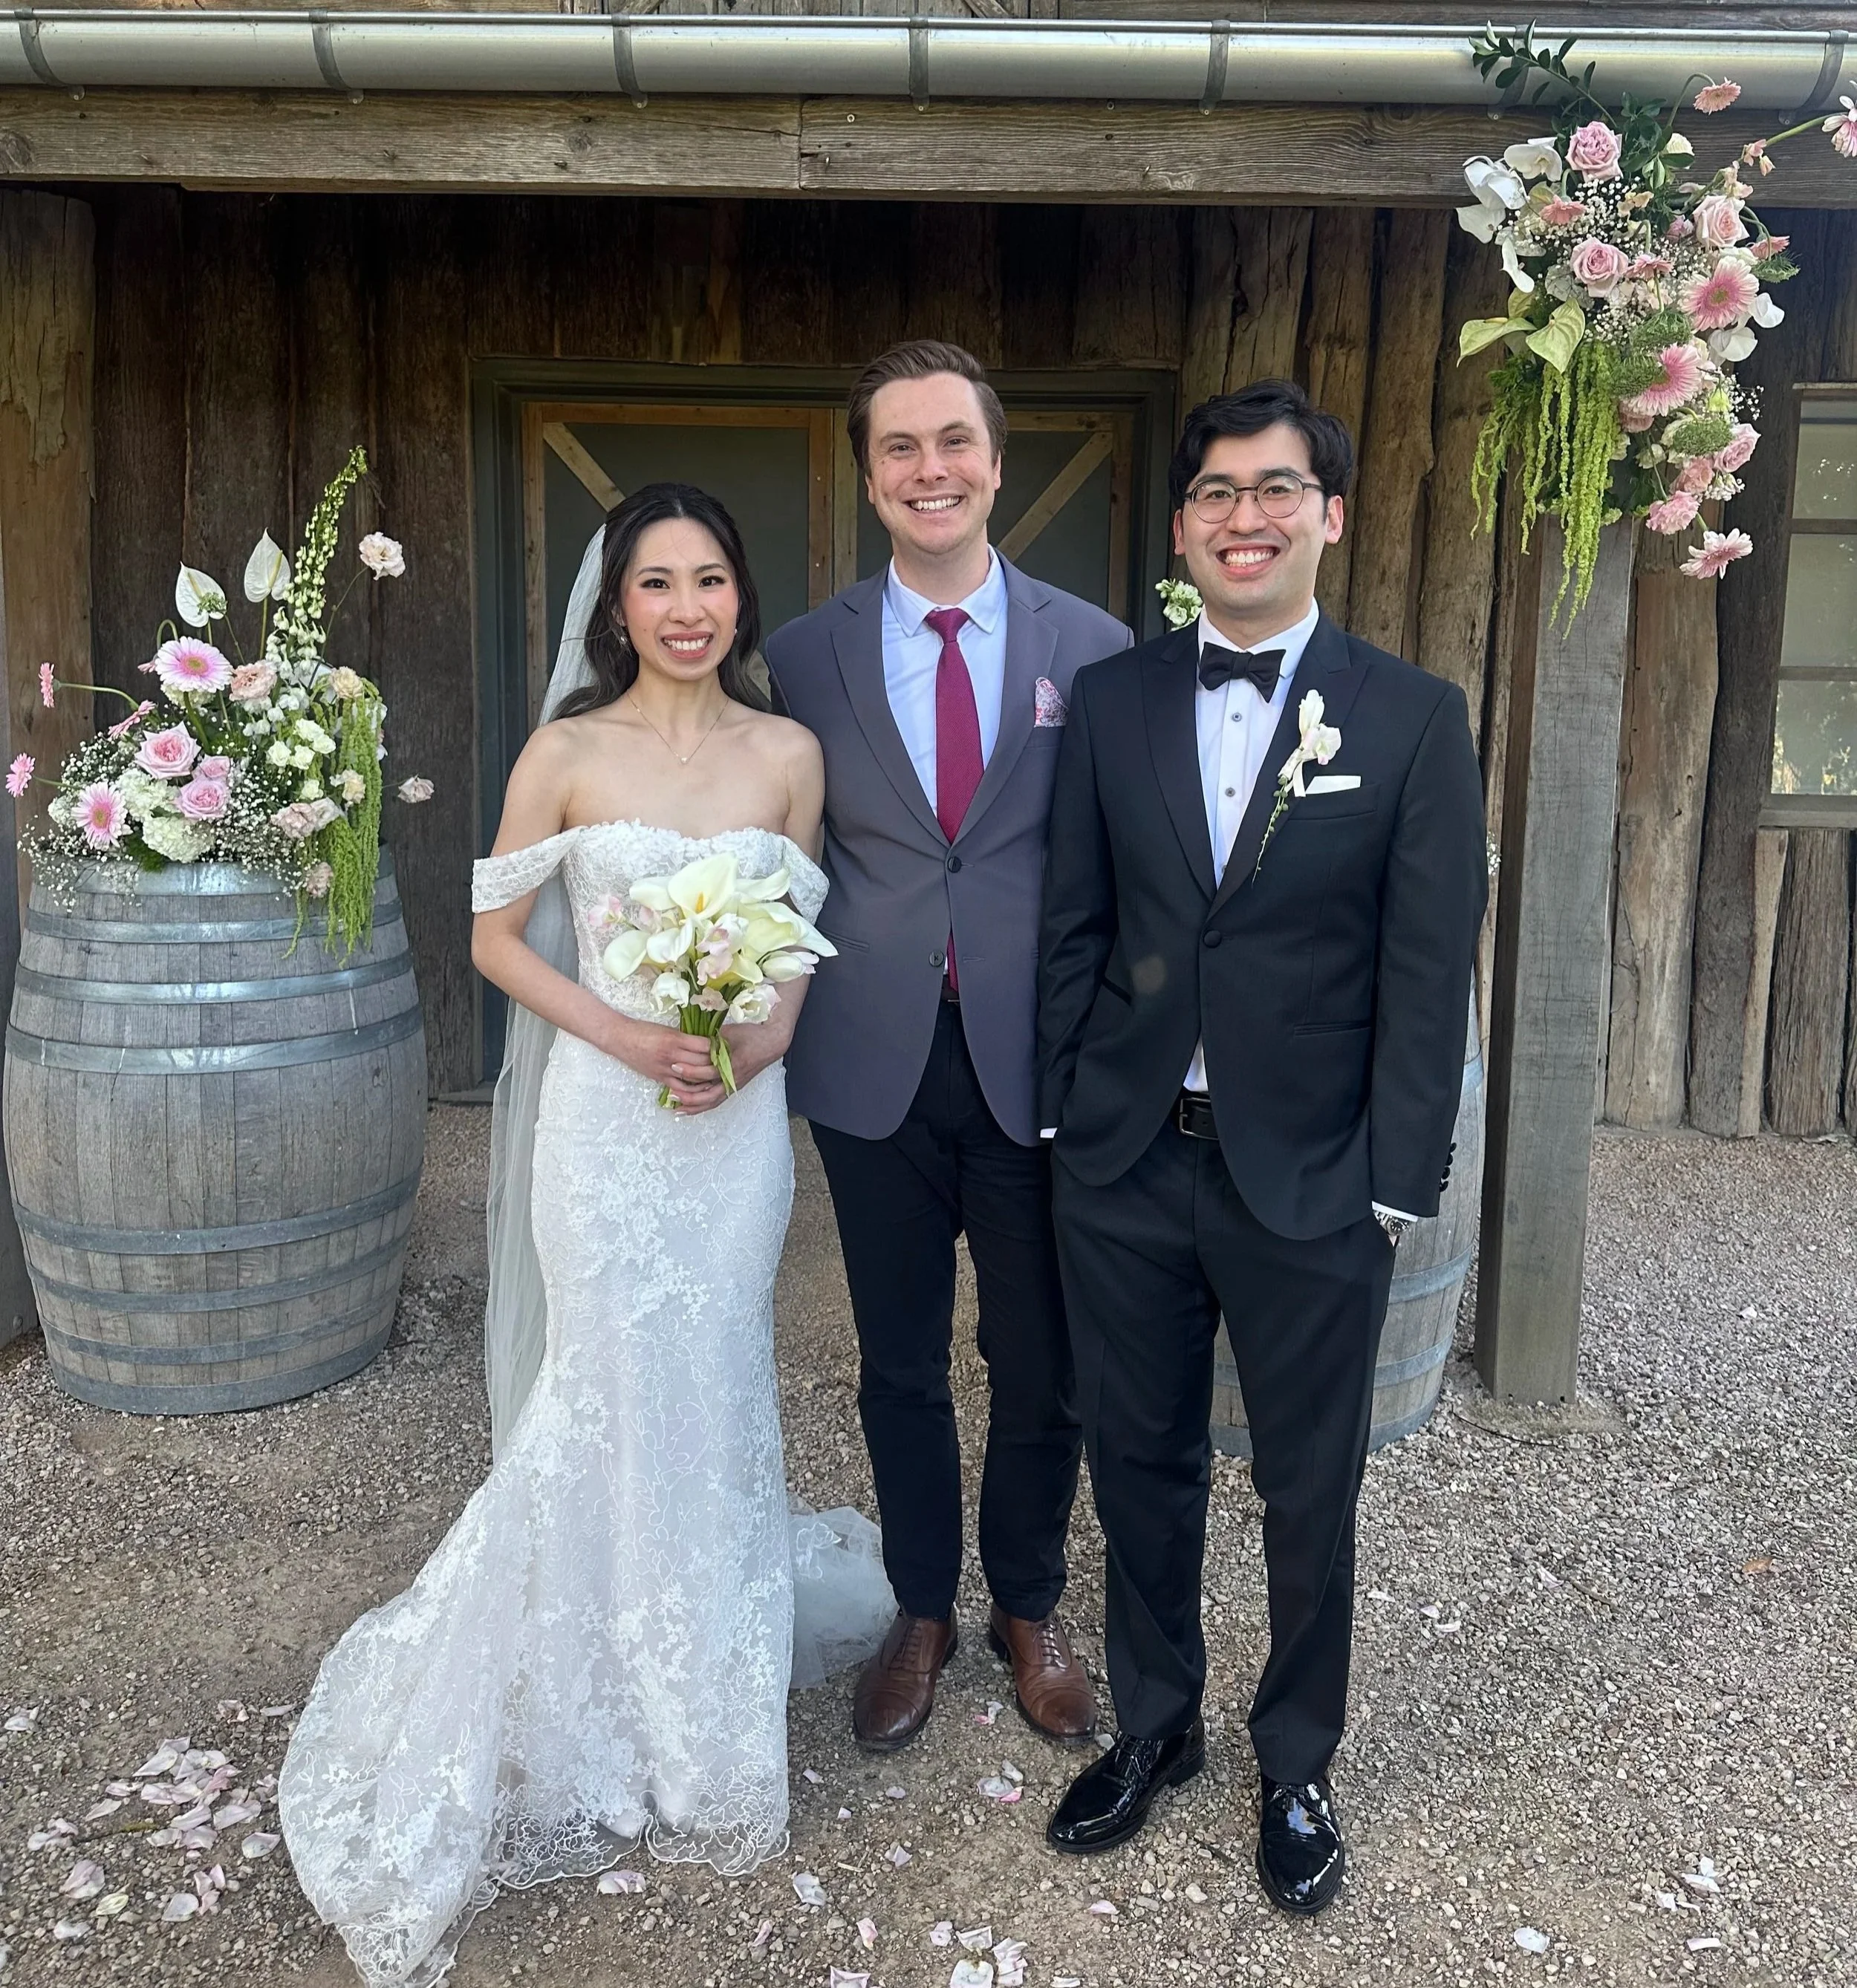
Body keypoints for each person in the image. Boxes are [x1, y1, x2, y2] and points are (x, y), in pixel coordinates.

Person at [279, 484, 894, 1988]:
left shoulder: (788, 756)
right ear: (614, 607)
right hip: (605, 1131)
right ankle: (582, 1702)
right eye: (654, 584)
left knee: (713, 1387)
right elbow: (494, 937)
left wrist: (753, 1055)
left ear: (739, 598)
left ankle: (708, 1729)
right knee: (606, 1389)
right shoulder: (563, 752)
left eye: (709, 581)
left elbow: (798, 939)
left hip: (731, 1127)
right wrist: (625, 1033)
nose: (685, 610)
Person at [1036, 382, 1486, 1912]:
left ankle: (1292, 1759)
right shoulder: (1111, 704)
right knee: (1139, 1463)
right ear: (1181, 527)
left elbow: (1429, 968)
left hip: (1308, 1177)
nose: (1246, 515)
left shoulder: (1412, 717)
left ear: (1328, 515)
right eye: (1218, 492)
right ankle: (1152, 1731)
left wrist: (1391, 1174)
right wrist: (1061, 1113)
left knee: (1307, 1486)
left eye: (1276, 489)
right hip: (1125, 1163)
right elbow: (1074, 921)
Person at [765, 341, 1131, 1753]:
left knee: (1046, 1362)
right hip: (875, 1064)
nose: (932, 471)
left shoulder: (1094, 651)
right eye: (901, 449)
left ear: (997, 461)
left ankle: (1025, 1605)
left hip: (1043, 1065)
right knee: (899, 1355)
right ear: (869, 476)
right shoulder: (802, 656)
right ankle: (924, 1604)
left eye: (954, 444)